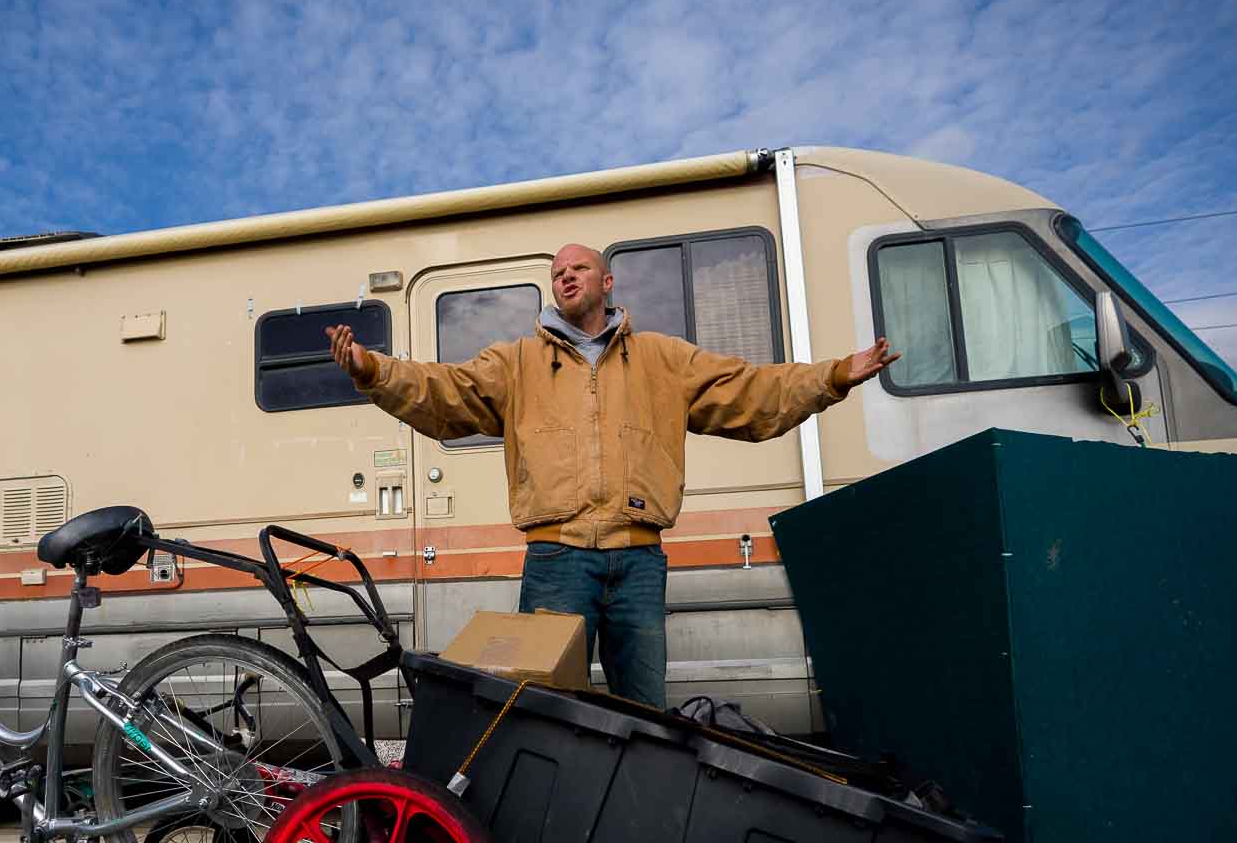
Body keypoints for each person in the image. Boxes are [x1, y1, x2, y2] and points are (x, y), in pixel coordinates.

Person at [326, 243, 897, 709]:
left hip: (638, 562)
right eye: (556, 274)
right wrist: (373, 369)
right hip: (557, 559)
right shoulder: (518, 364)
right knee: (545, 709)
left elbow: (749, 392)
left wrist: (834, 377)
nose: (566, 278)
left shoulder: (661, 359)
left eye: (578, 269)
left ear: (607, 282)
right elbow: (444, 391)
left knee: (644, 714)